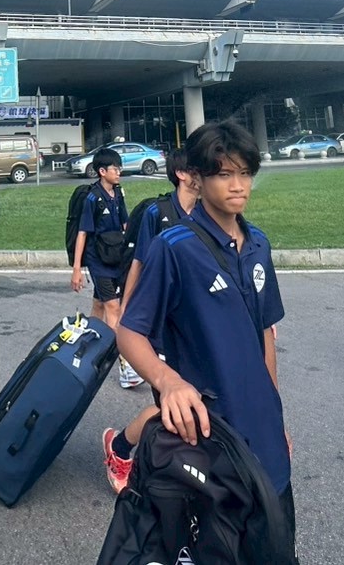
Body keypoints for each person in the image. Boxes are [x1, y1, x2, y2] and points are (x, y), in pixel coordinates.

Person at [117, 121, 295, 543]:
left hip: (265, 438)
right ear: (196, 178)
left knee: (276, 545)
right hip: (209, 437)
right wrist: (169, 382)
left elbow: (265, 335)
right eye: (224, 174)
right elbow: (129, 332)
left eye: (245, 173)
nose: (238, 185)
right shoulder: (175, 247)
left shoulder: (259, 244)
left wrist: (275, 414)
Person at [102, 149, 196, 493]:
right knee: (171, 406)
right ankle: (120, 447)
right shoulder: (158, 213)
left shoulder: (208, 212)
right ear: (182, 174)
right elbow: (139, 262)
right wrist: (128, 314)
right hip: (161, 322)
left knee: (196, 402)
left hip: (196, 322)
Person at [70, 146, 133, 381]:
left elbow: (126, 224)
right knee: (113, 308)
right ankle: (126, 364)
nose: (119, 172)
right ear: (102, 171)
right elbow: (82, 233)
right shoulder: (92, 198)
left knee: (98, 306)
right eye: (115, 168)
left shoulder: (118, 193)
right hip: (98, 261)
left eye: (119, 168)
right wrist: (77, 269)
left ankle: (86, 350)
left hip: (116, 256)